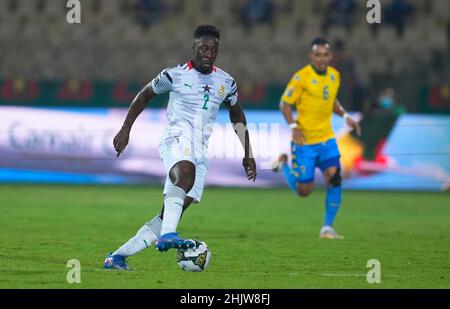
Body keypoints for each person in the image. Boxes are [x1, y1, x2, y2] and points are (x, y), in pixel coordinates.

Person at [104, 25, 257, 270]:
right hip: (175, 138)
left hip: (200, 151)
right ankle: (168, 235)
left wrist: (248, 153)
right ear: (194, 47)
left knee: (168, 214)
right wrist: (126, 129)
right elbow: (144, 96)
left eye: (214, 49)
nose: (209, 53)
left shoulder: (226, 82)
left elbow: (237, 114)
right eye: (204, 48)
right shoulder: (173, 75)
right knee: (185, 174)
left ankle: (117, 257)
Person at [272, 38, 361, 239]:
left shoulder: (334, 75)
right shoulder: (301, 77)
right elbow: (284, 104)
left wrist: (346, 116)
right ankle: (284, 163)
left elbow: (331, 100)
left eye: (325, 55)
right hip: (305, 142)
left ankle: (327, 228)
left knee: (335, 179)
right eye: (318, 55)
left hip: (326, 139)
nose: (322, 58)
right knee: (305, 190)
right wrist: (293, 127)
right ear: (312, 56)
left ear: (331, 56)